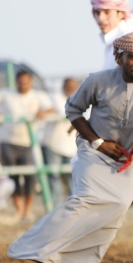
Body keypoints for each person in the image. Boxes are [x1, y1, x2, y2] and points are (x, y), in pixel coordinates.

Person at [8, 32, 133, 263]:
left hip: (131, 160)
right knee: (85, 200)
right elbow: (73, 110)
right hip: (93, 152)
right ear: (120, 58)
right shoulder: (97, 80)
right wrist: (98, 142)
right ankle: (42, 254)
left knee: (116, 208)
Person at [0, 70, 55, 221]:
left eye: (26, 82)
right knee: (13, 176)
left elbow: (51, 108)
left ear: (30, 82)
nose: (23, 85)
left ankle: (28, 210)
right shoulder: (6, 94)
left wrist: (43, 112)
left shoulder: (37, 96)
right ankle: (19, 210)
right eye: (21, 82)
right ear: (16, 82)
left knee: (31, 176)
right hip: (8, 141)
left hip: (29, 142)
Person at [41, 77, 79, 206]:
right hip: (54, 144)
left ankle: (72, 207)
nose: (71, 89)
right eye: (69, 86)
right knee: (54, 176)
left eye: (73, 86)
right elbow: (65, 112)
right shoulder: (55, 97)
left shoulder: (80, 100)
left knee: (72, 177)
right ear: (63, 86)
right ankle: (55, 207)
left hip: (72, 146)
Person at [90, 0, 133, 69]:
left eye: (107, 12)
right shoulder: (111, 44)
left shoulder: (127, 44)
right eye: (97, 12)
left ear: (121, 13)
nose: (101, 18)